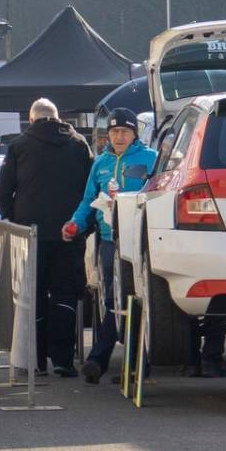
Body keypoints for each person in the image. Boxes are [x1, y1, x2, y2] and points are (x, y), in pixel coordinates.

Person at [0, 97, 93, 378]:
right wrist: (83, 228)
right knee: (65, 296)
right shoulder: (79, 145)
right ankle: (63, 360)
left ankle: (35, 361)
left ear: (32, 119)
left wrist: (15, 220)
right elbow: (90, 190)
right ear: (59, 117)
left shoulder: (19, 146)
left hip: (30, 233)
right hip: (69, 234)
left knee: (32, 298)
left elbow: (3, 192)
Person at [66, 107, 156, 383]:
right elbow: (88, 200)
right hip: (108, 240)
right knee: (112, 301)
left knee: (138, 301)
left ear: (134, 134)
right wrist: (75, 223)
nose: (119, 137)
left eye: (125, 132)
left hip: (140, 242)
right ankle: (107, 362)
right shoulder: (100, 163)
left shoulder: (151, 158)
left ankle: (124, 364)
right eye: (115, 131)